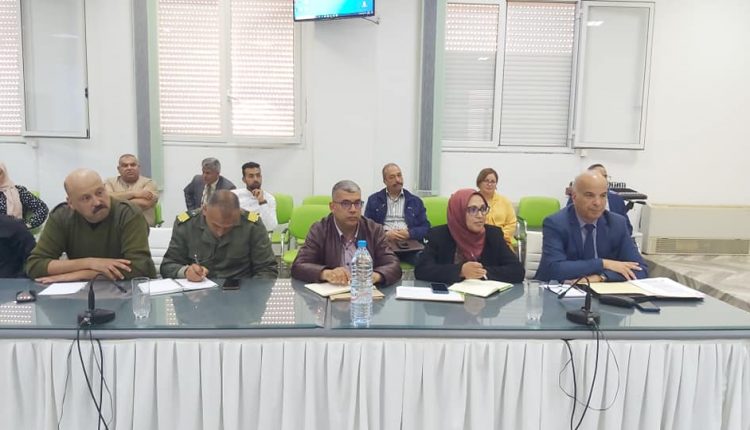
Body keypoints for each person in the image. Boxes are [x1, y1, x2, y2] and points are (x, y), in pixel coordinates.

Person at [25, 169, 156, 282]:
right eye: (86, 198)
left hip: (129, 291)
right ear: (71, 203)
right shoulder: (61, 216)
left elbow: (139, 268)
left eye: (100, 192)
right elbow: (35, 266)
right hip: (81, 294)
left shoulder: (128, 213)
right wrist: (91, 262)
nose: (97, 202)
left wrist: (79, 275)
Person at [536, 170, 647, 282]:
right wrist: (603, 263)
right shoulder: (556, 223)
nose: (597, 203)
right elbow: (554, 269)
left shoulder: (617, 224)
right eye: (589, 195)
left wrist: (601, 277)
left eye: (603, 196)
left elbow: (640, 270)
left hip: (602, 290)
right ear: (574, 197)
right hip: (561, 290)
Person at [291, 180, 401, 286]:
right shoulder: (320, 230)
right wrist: (327, 274)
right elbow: (298, 266)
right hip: (330, 293)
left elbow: (394, 265)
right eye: (345, 204)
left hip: (365, 293)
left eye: (357, 203)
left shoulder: (374, 230)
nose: (353, 209)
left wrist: (375, 276)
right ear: (332, 207)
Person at [160, 190, 277, 280]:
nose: (220, 232)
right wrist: (186, 272)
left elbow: (267, 269)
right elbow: (167, 266)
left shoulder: (252, 226)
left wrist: (251, 296)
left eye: (228, 227)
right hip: (198, 296)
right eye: (216, 226)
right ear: (205, 210)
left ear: (239, 212)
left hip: (241, 294)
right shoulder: (187, 225)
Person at [414, 189, 524, 284]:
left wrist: (482, 272)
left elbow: (517, 271)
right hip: (451, 298)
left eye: (483, 209)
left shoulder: (493, 234)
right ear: (458, 212)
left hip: (486, 299)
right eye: (473, 210)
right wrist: (460, 271)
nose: (480, 216)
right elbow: (422, 270)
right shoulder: (439, 235)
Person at [364, 163, 430, 241]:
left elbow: (425, 227)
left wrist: (410, 233)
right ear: (385, 181)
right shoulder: (374, 200)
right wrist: (384, 234)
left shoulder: (415, 201)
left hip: (409, 242)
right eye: (392, 177)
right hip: (383, 242)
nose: (397, 180)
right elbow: (367, 227)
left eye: (399, 175)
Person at [566, 163, 632, 234]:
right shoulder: (577, 197)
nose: (603, 179)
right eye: (598, 176)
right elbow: (569, 224)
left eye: (605, 176)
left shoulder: (617, 199)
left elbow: (627, 228)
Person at [104, 154, 160, 227]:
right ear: (118, 169)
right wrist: (134, 193)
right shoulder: (110, 182)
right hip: (116, 229)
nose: (129, 168)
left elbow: (144, 203)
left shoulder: (149, 183)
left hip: (144, 229)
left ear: (138, 167)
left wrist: (115, 202)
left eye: (133, 165)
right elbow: (107, 199)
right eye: (125, 165)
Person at [476, 168, 516, 249]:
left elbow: (511, 223)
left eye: (492, 181)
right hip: (477, 241)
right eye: (486, 181)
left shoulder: (504, 201)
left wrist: (498, 237)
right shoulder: (472, 200)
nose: (489, 184)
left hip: (501, 241)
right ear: (479, 182)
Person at [0, 163, 49, 229]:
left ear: (4, 174)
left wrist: (28, 225)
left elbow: (42, 208)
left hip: (14, 232)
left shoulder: (19, 191)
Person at [231, 162, 277, 231]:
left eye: (258, 175)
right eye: (251, 176)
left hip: (259, 235)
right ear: (244, 179)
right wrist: (255, 218)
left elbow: (270, 226)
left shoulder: (269, 199)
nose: (255, 179)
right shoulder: (234, 195)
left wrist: (262, 202)